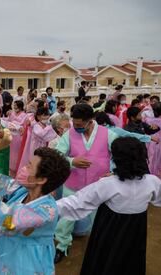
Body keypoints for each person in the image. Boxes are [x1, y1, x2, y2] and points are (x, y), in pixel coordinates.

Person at [57, 137, 161, 275]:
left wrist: (47, 207)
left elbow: (77, 201)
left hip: (109, 230)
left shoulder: (108, 184)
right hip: (135, 231)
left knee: (105, 259)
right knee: (130, 259)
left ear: (117, 160)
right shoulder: (152, 182)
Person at [0, 147, 71, 275]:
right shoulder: (22, 190)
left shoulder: (45, 212)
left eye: (29, 166)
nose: (23, 168)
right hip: (6, 258)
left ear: (41, 179)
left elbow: (3, 222)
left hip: (26, 266)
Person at [53, 104, 118, 263]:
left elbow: (119, 155)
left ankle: (101, 247)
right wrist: (71, 160)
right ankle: (62, 245)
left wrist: (114, 171)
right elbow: (57, 154)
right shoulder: (69, 134)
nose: (76, 127)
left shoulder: (108, 134)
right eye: (74, 124)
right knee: (66, 218)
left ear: (91, 121)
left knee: (100, 218)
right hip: (73, 184)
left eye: (80, 125)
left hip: (99, 185)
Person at [5, 101, 27, 177]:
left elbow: (25, 126)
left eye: (16, 106)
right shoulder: (11, 114)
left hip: (19, 137)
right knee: (11, 153)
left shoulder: (25, 115)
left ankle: (19, 171)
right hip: (12, 137)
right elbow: (7, 121)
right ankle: (11, 170)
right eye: (14, 106)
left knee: (18, 153)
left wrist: (20, 128)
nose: (15, 107)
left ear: (20, 106)